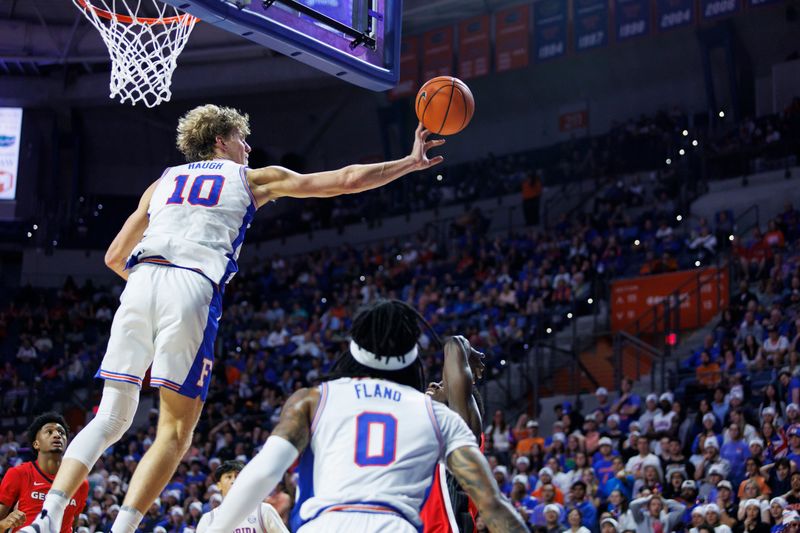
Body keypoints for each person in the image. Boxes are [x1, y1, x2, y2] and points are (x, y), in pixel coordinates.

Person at [22, 106, 446, 533]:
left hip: (141, 281)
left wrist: (154, 283)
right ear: (221, 140)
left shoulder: (161, 182)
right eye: (242, 140)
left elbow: (115, 256)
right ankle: (122, 530)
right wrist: (409, 162)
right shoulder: (250, 178)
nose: (248, 148)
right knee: (173, 433)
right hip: (191, 285)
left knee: (110, 417)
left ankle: (49, 516)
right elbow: (345, 180)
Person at [199, 299, 528, 532]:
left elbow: (260, 475)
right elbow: (494, 505)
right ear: (410, 360)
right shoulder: (434, 417)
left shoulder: (313, 399)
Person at [421, 335, 486, 532]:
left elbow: (454, 347)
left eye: (442, 386)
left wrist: (468, 352)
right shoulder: (425, 442)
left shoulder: (460, 431)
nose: (433, 385)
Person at [0, 413, 89, 532]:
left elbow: (74, 524)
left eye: (61, 432)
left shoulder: (80, 483)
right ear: (36, 444)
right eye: (49, 432)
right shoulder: (19, 473)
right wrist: (5, 524)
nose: (57, 435)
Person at [196, 460, 287, 533]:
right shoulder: (208, 519)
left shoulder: (263, 510)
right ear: (219, 485)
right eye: (228, 477)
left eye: (237, 477)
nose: (233, 481)